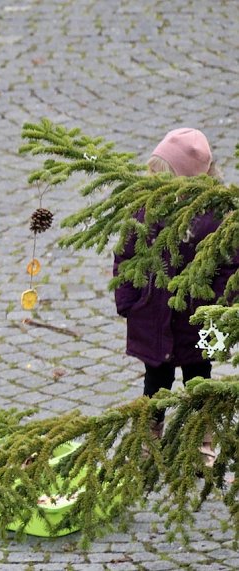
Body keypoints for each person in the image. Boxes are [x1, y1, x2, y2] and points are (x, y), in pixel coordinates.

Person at [113, 128, 232, 466]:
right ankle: (149, 439)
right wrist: (127, 300)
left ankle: (202, 440)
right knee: (156, 382)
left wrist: (217, 306)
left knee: (199, 380)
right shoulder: (145, 211)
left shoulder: (213, 219)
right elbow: (125, 255)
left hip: (197, 321)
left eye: (163, 176)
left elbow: (229, 267)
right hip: (153, 317)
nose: (155, 182)